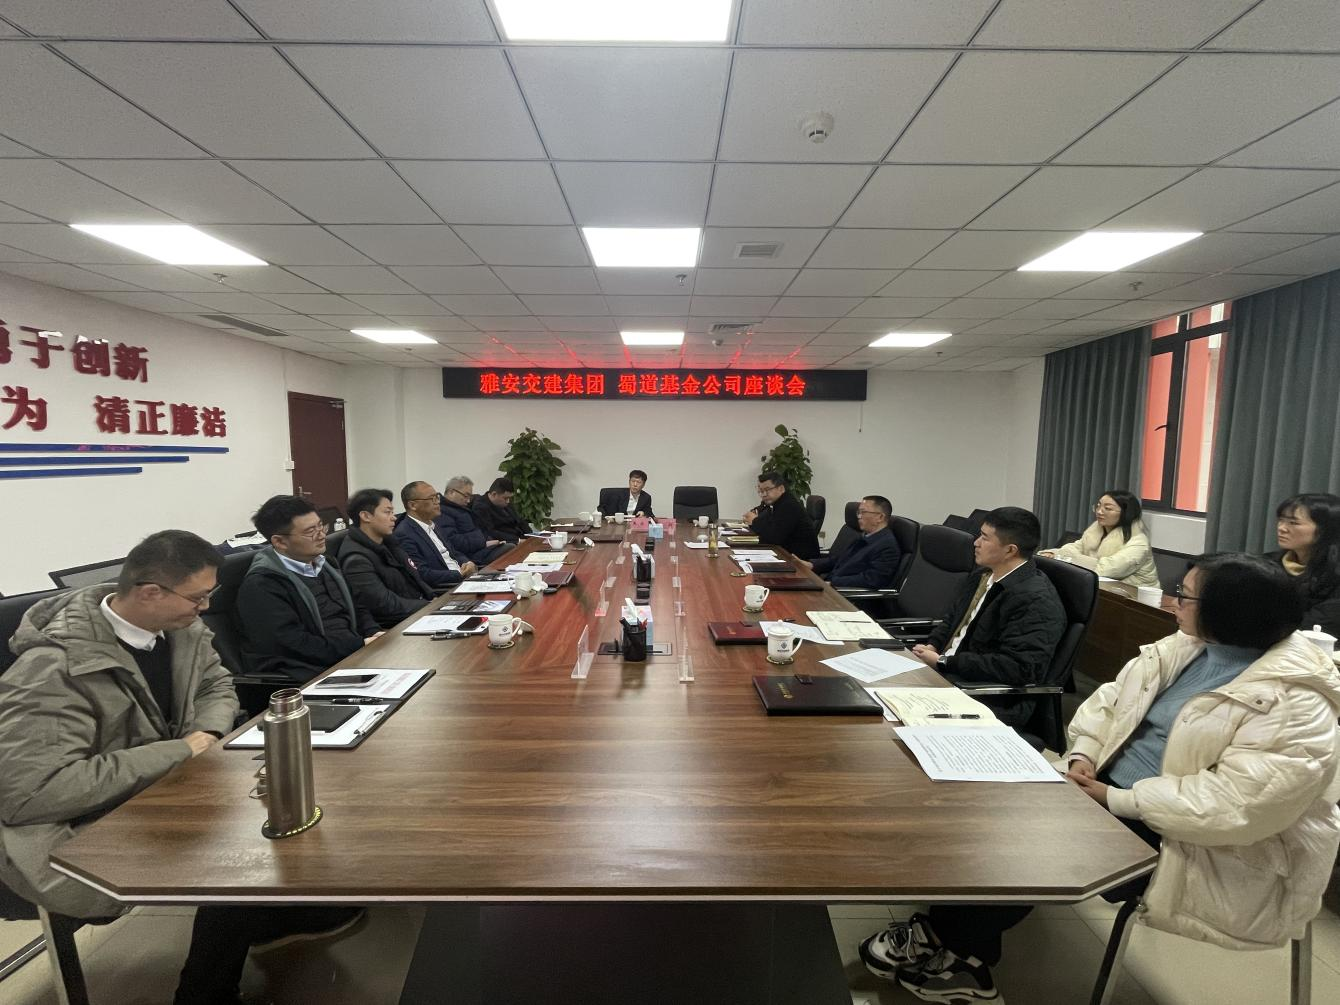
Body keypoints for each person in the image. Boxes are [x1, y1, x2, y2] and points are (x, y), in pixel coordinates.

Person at [860, 553, 1340, 1003]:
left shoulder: (1296, 702)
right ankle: (948, 933)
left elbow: (1236, 807)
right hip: (1108, 789)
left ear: (1229, 614)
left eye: (1185, 595)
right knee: (974, 800)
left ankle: (962, 957)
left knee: (1017, 840)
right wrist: (1083, 755)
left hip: (1200, 840)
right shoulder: (1186, 647)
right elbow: (1109, 703)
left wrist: (1114, 799)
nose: (1173, 601)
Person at [0, 530, 363, 1004]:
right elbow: (31, 793)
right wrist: (179, 752)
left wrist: (205, 735)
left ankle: (271, 915)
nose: (207, 607)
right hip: (70, 830)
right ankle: (203, 992)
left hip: (159, 785)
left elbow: (217, 686)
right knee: (238, 847)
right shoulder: (51, 670)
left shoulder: (180, 632)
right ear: (151, 592)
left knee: (292, 796)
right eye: (198, 597)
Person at [909, 506, 1066, 728]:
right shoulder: (983, 575)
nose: (976, 542)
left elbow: (1017, 668)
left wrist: (945, 662)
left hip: (985, 697)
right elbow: (953, 618)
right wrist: (934, 645)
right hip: (948, 675)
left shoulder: (1035, 600)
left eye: (984, 538)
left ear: (1010, 550)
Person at [237, 495, 380, 683]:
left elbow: (357, 605)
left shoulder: (326, 564)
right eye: (310, 531)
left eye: (321, 526)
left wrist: (374, 633)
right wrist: (359, 644)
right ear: (280, 542)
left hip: (353, 654)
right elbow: (294, 644)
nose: (321, 535)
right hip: (312, 671)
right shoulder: (262, 584)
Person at [340, 488, 435, 629]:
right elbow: (386, 605)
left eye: (392, 512)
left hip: (418, 612)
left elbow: (416, 579)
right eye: (387, 512)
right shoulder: (356, 560)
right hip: (397, 625)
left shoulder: (388, 542)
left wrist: (434, 599)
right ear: (366, 516)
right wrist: (429, 605)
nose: (394, 517)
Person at [1039, 489, 1159, 588]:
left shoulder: (1139, 542)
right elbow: (1076, 547)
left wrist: (1067, 558)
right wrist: (1054, 554)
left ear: (1126, 513)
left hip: (1136, 599)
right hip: (1103, 589)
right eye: (1098, 506)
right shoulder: (1097, 530)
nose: (1099, 511)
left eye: (1108, 508)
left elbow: (1106, 569)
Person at [1269, 492, 1340, 637]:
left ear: (1324, 530)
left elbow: (1318, 626)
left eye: (1293, 523)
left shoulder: (1335, 574)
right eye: (1281, 520)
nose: (1281, 528)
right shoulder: (1267, 564)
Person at [801, 495, 901, 589]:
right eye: (858, 512)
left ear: (880, 517)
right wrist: (812, 564)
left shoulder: (887, 546)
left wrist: (833, 583)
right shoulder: (865, 536)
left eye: (863, 512)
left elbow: (871, 580)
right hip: (831, 585)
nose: (859, 516)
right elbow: (840, 559)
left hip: (846, 595)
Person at [394, 480, 477, 590]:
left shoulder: (433, 524)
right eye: (432, 498)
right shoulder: (404, 534)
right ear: (413, 505)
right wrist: (460, 574)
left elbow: (453, 552)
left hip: (464, 579)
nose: (437, 502)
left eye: (437, 497)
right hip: (448, 587)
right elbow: (422, 573)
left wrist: (468, 562)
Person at [743, 471, 819, 560]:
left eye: (767, 490)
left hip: (799, 561)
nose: (763, 494)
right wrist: (754, 518)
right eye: (761, 491)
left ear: (781, 489)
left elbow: (774, 537)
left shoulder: (788, 505)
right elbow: (766, 522)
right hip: (784, 554)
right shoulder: (775, 503)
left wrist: (755, 521)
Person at [436, 475, 511, 566]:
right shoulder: (442, 512)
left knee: (511, 547)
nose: (468, 501)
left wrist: (492, 541)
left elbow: (479, 530)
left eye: (470, 497)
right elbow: (454, 541)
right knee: (511, 548)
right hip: (471, 557)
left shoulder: (461, 508)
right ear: (452, 492)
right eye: (466, 496)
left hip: (481, 549)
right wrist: (483, 543)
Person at [471, 476, 533, 543]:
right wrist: (518, 540)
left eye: (509, 498)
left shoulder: (504, 501)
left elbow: (520, 520)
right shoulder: (480, 507)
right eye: (505, 498)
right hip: (508, 542)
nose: (508, 501)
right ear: (494, 494)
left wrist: (531, 535)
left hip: (521, 538)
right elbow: (491, 532)